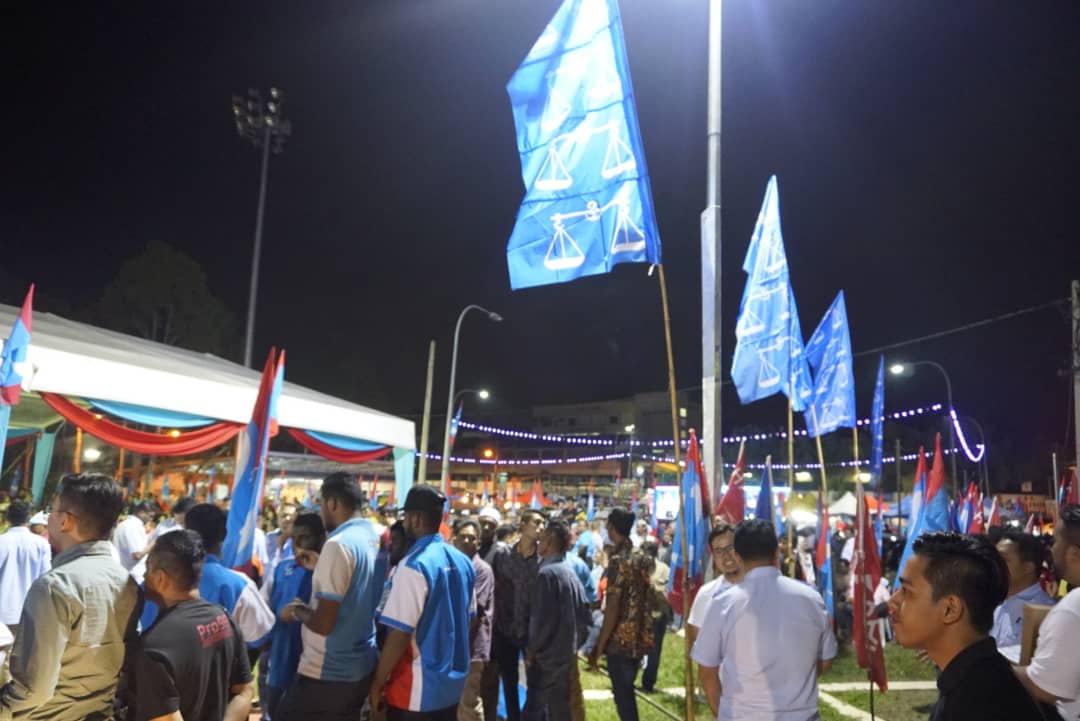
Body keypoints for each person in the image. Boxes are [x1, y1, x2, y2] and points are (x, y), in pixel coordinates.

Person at [0, 473, 142, 721]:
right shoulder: (126, 581)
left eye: (51, 511)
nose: (48, 518)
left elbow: (34, 689)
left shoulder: (55, 586)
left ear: (65, 521)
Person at [888, 531, 1044, 721]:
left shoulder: (979, 702)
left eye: (907, 591)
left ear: (950, 609)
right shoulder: (976, 679)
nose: (892, 601)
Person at [691, 518, 837, 721]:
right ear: (777, 552)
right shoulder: (811, 598)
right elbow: (826, 659)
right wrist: (794, 682)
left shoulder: (723, 603)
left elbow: (706, 672)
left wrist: (721, 713)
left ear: (738, 556)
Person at [276, 472, 382, 721]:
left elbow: (324, 624)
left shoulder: (338, 544)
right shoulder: (372, 537)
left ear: (332, 503)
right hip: (359, 664)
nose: (321, 513)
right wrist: (321, 567)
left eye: (322, 504)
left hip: (327, 672)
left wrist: (297, 610)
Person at [371, 486, 476, 721]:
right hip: (451, 686)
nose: (405, 522)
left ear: (416, 519)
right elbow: (470, 619)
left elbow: (399, 634)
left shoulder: (414, 565)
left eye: (406, 517)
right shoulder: (463, 562)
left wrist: (377, 682)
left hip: (415, 690)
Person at [131, 529, 254, 721]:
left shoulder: (154, 647)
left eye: (147, 570)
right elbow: (244, 693)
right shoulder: (223, 618)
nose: (144, 577)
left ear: (161, 578)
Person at [154, 503, 275, 647]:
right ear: (224, 534)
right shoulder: (238, 585)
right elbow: (260, 638)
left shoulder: (157, 580)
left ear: (185, 533)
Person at [588, 507, 654, 721]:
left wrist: (599, 645)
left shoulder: (618, 561)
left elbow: (613, 606)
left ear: (612, 528)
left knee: (624, 697)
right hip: (640, 635)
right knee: (626, 693)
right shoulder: (642, 557)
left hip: (621, 639)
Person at [1015, 505, 1080, 720]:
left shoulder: (1074, 608)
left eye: (1055, 542)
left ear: (1074, 554)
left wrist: (992, 665)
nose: (1051, 549)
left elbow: (1043, 688)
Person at [522, 519, 590, 721]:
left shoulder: (547, 574)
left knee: (536, 710)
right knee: (559, 709)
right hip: (565, 655)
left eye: (542, 539)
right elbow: (585, 616)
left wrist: (533, 649)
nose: (538, 542)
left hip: (547, 658)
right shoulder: (569, 572)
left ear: (550, 542)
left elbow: (540, 620)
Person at [263, 511, 325, 721]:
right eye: (294, 538)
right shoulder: (282, 568)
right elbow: (265, 612)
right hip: (282, 664)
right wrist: (278, 618)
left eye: (305, 537)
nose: (298, 544)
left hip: (317, 668)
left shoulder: (329, 570)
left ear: (321, 538)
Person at [485, 508, 544, 721]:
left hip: (531, 632)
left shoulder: (542, 561)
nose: (541, 527)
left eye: (543, 523)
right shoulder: (504, 556)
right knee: (509, 682)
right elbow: (493, 587)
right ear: (522, 526)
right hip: (505, 629)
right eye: (536, 523)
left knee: (536, 684)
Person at [453, 518, 494, 721]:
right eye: (463, 537)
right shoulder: (452, 566)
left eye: (472, 538)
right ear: (454, 540)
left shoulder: (481, 570)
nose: (467, 541)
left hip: (472, 647)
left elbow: (473, 612)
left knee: (468, 703)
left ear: (478, 543)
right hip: (454, 647)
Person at [991, 530, 1054, 649]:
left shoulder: (1045, 611)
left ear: (1028, 568)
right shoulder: (995, 604)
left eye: (1003, 559)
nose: (994, 564)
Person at [686, 523, 743, 648]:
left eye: (730, 548)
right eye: (719, 551)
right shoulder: (706, 593)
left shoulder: (760, 588)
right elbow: (697, 643)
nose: (726, 556)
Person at [0, 501, 52, 638]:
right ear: (29, 518)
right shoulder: (41, 544)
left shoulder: (2, 541)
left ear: (7, 518)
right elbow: (46, 578)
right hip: (27, 611)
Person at [639, 538, 671, 694]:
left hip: (657, 615)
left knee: (654, 650)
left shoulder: (664, 570)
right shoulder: (637, 568)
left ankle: (648, 683)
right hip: (640, 614)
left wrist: (655, 588)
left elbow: (668, 594)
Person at [113, 500, 154, 571]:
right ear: (141, 513)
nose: (151, 519)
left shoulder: (126, 524)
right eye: (150, 516)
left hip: (124, 570)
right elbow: (137, 555)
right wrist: (154, 543)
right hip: (131, 573)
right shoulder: (133, 526)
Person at [265, 502, 298, 583]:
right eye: (283, 515)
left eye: (291, 516)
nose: (286, 519)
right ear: (277, 518)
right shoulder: (269, 537)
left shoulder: (298, 541)